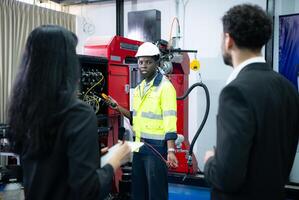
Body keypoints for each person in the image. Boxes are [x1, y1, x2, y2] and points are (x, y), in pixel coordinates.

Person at [7, 25, 131, 200]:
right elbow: (88, 192)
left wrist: (91, 156)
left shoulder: (24, 110)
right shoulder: (78, 113)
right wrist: (115, 160)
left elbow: (50, 166)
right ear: (68, 63)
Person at [203, 4, 299, 200]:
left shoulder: (235, 92)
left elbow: (227, 177)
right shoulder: (288, 88)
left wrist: (210, 162)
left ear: (229, 40)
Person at [107, 42, 178, 200]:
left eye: (148, 62)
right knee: (139, 192)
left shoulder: (165, 87)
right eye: (140, 62)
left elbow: (170, 119)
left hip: (156, 148)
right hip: (139, 146)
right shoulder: (140, 88)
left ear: (156, 62)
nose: (143, 66)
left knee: (156, 193)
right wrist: (117, 107)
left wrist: (171, 150)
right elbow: (135, 117)